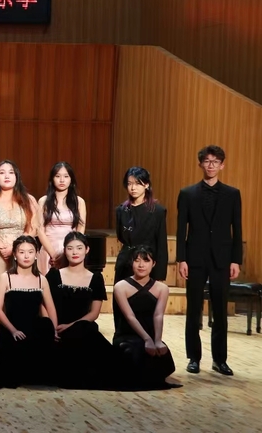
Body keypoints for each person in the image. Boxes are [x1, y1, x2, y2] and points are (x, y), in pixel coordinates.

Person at [178, 145, 243, 376]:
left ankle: (220, 360)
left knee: (220, 310)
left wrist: (236, 260)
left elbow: (237, 229)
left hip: (222, 259)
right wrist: (181, 259)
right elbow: (181, 230)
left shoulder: (233, 194)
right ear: (200, 164)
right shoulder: (187, 193)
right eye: (207, 161)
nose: (211, 165)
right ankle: (193, 358)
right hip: (195, 258)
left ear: (222, 165)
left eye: (216, 161)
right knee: (194, 309)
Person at [46, 232, 120, 390]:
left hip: (81, 328)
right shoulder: (53, 275)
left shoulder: (96, 278)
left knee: (85, 330)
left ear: (87, 250)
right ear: (64, 250)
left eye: (79, 248)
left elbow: (94, 313)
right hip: (55, 329)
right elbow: (43, 305)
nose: (75, 252)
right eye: (70, 248)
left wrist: (70, 326)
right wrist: (52, 328)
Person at [0, 235, 58, 388]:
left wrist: (54, 330)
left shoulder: (42, 279)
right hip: (12, 329)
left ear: (36, 255)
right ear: (15, 255)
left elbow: (51, 308)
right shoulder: (5, 278)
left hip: (34, 329)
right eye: (21, 252)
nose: (26, 256)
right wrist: (13, 330)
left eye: (30, 252)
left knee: (45, 326)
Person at [113, 246, 177, 388]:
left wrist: (157, 340)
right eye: (137, 261)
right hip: (127, 335)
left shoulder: (162, 288)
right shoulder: (120, 287)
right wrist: (147, 339)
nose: (141, 265)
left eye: (146, 261)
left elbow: (158, 315)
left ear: (153, 263)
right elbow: (130, 316)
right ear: (131, 263)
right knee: (136, 352)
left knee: (162, 355)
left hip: (151, 336)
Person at [0, 160, 39, 277]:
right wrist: (2, 249)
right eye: (2, 173)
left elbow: (33, 227)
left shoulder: (29, 200)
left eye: (11, 172)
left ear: (16, 176)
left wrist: (14, 248)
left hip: (22, 250)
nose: (6, 176)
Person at [114, 167, 168, 284]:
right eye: (129, 184)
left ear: (146, 185)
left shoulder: (157, 211)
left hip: (147, 264)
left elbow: (161, 244)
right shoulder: (121, 210)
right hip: (125, 264)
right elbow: (121, 237)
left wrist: (160, 274)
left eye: (138, 183)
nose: (133, 188)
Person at [36, 162, 86, 274]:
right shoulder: (43, 201)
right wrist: (53, 255)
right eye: (58, 176)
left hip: (71, 249)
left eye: (66, 176)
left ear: (71, 179)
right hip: (49, 249)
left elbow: (80, 229)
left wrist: (70, 250)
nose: (62, 180)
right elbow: (40, 230)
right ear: (52, 179)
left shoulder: (79, 202)